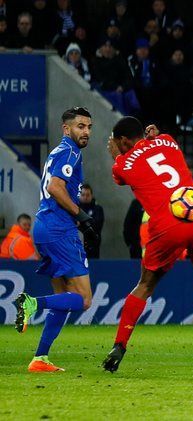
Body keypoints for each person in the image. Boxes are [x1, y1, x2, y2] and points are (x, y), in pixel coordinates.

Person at [102, 118, 193, 373]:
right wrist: (156, 137)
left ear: (123, 140)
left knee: (145, 285)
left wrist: (116, 155)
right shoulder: (168, 141)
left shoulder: (123, 164)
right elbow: (159, 148)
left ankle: (119, 345)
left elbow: (122, 172)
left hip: (167, 224)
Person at [14, 107, 99, 372]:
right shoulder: (70, 152)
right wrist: (82, 217)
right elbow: (55, 187)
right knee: (83, 299)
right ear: (66, 128)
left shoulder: (56, 152)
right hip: (59, 229)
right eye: (80, 126)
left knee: (63, 297)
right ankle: (32, 303)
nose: (86, 132)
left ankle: (40, 358)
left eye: (89, 127)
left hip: (44, 227)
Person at [78, 184, 104, 259]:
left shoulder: (97, 209)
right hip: (78, 245)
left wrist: (81, 223)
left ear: (91, 195)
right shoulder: (75, 208)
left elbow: (96, 225)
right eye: (83, 195)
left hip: (93, 245)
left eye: (87, 195)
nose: (85, 197)